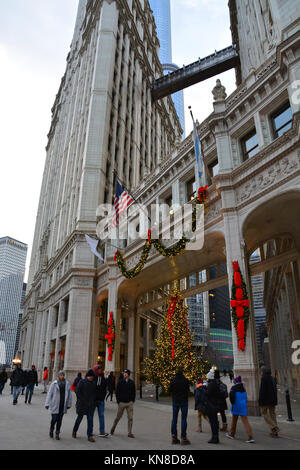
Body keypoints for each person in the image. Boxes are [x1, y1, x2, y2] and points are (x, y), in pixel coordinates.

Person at [226, 376, 255, 443]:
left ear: (235, 381)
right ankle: (250, 437)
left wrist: (233, 404)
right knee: (245, 421)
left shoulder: (234, 388)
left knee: (234, 421)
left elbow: (231, 397)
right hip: (243, 406)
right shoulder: (243, 388)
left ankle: (232, 434)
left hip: (236, 406)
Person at [45, 370, 72, 440]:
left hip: (62, 405)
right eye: (60, 375)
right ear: (58, 375)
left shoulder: (67, 383)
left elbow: (69, 395)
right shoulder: (54, 383)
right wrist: (47, 403)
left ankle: (57, 433)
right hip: (55, 403)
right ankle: (51, 429)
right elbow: (49, 394)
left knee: (60, 420)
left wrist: (69, 404)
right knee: (54, 419)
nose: (62, 376)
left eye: (63, 375)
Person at [72, 369, 97, 442]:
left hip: (90, 405)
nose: (92, 378)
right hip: (82, 404)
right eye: (91, 376)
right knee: (79, 419)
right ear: (88, 376)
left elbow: (94, 393)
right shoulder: (82, 382)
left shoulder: (93, 383)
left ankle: (90, 435)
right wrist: (83, 399)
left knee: (90, 420)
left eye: (93, 376)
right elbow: (77, 391)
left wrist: (93, 401)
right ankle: (74, 431)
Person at [110, 369, 136, 438]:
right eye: (124, 373)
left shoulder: (132, 382)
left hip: (129, 403)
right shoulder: (120, 382)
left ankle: (130, 432)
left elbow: (134, 392)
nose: (124, 374)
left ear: (128, 374)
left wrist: (132, 401)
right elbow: (117, 392)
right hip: (122, 403)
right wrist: (118, 401)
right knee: (118, 417)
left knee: (130, 418)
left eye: (126, 373)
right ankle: (113, 428)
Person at [169, 367, 191, 445]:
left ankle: (174, 436)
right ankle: (183, 437)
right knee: (183, 419)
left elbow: (170, 390)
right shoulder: (185, 380)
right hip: (184, 401)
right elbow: (188, 390)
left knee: (174, 419)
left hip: (175, 401)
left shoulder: (173, 380)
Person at [259, 368, 279, 437]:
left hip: (265, 400)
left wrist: (260, 400)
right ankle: (274, 431)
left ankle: (274, 426)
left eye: (261, 371)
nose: (260, 373)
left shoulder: (264, 378)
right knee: (272, 414)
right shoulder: (272, 378)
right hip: (273, 399)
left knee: (263, 412)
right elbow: (275, 389)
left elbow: (262, 391)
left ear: (263, 372)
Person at [205, 368, 221, 444]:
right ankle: (215, 436)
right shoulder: (215, 383)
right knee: (214, 421)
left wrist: (205, 390)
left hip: (211, 405)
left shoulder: (212, 384)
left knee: (213, 422)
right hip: (215, 405)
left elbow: (208, 394)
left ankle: (214, 437)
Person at [93, 364, 109, 437]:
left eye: (100, 369)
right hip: (93, 401)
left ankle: (102, 431)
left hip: (101, 401)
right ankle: (90, 430)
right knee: (90, 416)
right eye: (98, 369)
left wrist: (102, 398)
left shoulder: (103, 378)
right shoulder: (93, 378)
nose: (100, 370)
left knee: (101, 416)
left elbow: (104, 390)